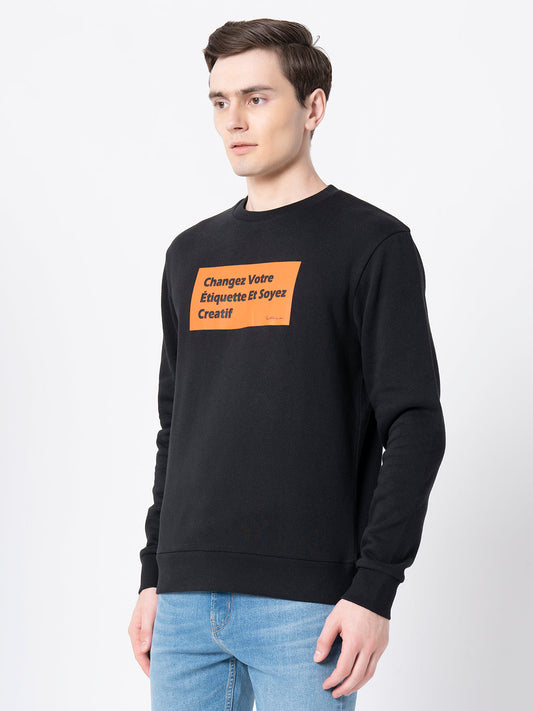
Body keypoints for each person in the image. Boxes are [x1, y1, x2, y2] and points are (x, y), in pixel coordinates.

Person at [128, 17, 446, 711]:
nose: (233, 121)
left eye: (256, 97)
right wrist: (154, 574)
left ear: (313, 106)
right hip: (184, 603)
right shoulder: (190, 254)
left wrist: (374, 589)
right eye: (219, 101)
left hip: (304, 607)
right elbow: (176, 426)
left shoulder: (372, 244)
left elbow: (415, 425)